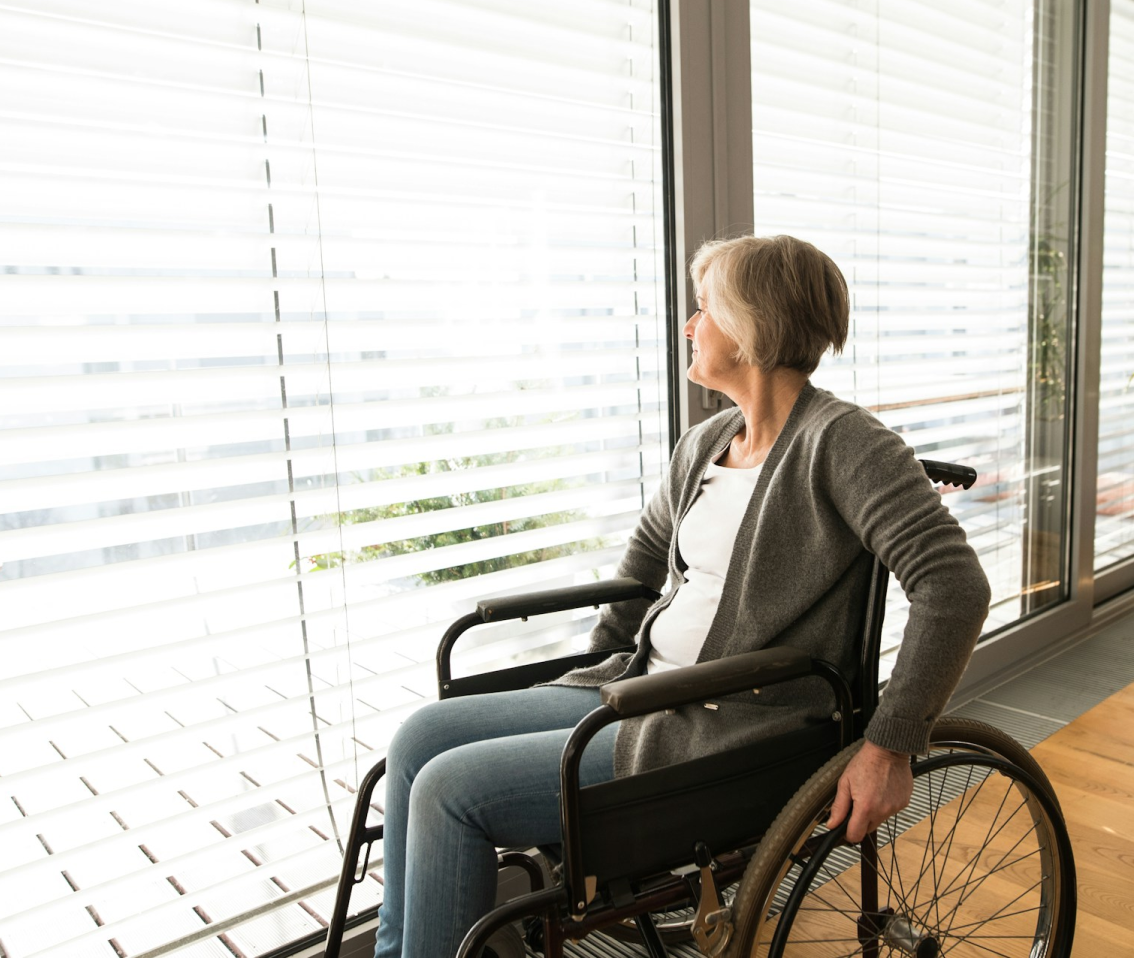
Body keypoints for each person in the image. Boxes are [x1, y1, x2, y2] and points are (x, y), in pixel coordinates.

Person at [372, 235, 992, 958]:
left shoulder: (846, 444)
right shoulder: (705, 442)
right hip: (640, 693)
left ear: (753, 326)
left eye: (705, 309)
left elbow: (954, 587)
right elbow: (640, 575)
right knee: (417, 738)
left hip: (726, 726)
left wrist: (890, 745)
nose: (691, 326)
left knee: (450, 792)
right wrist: (600, 680)